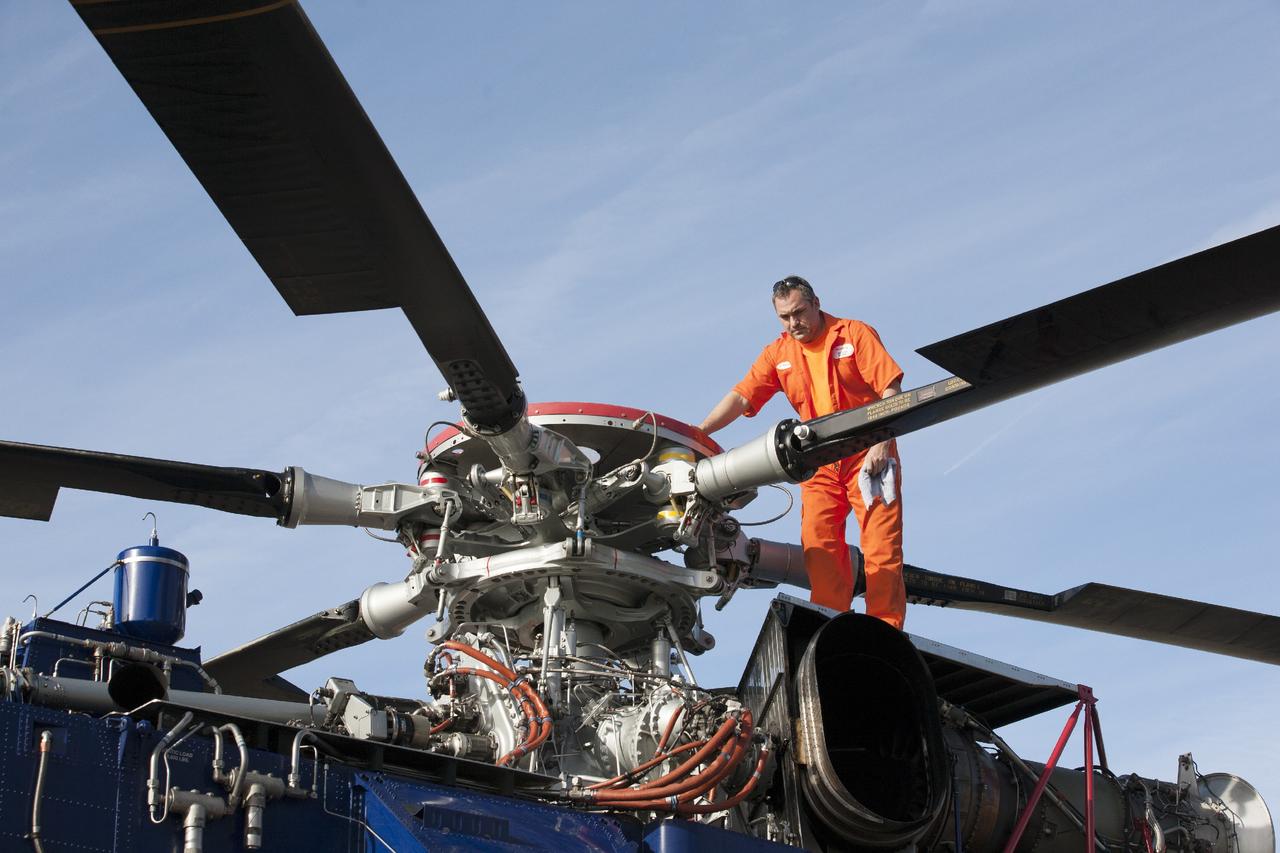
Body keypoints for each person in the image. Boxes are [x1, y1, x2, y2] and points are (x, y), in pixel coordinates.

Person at [698, 276, 907, 628]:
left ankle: (885, 632)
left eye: (799, 312)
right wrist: (699, 433)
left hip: (868, 456)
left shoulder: (853, 334)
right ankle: (830, 630)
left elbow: (892, 389)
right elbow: (741, 398)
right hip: (820, 464)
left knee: (881, 550)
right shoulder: (778, 354)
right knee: (820, 550)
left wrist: (882, 443)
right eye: (784, 317)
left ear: (816, 303)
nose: (794, 323)